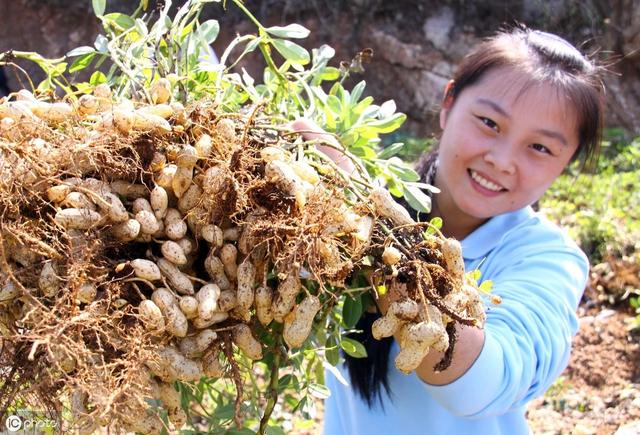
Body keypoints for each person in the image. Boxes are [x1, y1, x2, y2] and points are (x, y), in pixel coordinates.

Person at [296, 26, 604, 435]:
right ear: (448, 104)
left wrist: (369, 226)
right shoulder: (357, 205)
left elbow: (478, 386)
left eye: (541, 147)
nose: (502, 160)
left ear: (565, 163)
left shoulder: (546, 258)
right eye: (490, 123)